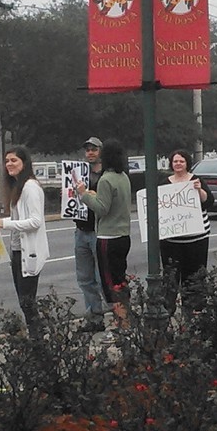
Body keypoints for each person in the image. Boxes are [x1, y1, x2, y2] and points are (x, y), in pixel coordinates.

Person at [0, 146, 49, 336]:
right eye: (7, 161)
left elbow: (35, 221)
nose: (9, 164)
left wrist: (4, 223)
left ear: (25, 163)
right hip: (17, 250)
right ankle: (35, 338)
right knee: (25, 301)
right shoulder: (18, 187)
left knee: (27, 301)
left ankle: (37, 340)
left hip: (27, 252)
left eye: (14, 160)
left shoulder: (30, 187)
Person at [75, 139, 132, 331]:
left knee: (110, 284)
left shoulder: (106, 179)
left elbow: (102, 208)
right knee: (120, 279)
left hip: (108, 236)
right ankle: (125, 319)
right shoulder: (123, 176)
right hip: (123, 235)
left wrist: (84, 194)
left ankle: (122, 322)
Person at [159, 149, 214, 313]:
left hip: (197, 239)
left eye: (181, 161)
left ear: (187, 163)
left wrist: (199, 190)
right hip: (171, 240)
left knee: (194, 277)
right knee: (171, 278)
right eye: (175, 161)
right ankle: (168, 311)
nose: (178, 164)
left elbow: (209, 201)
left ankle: (193, 312)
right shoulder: (164, 183)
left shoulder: (196, 181)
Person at [73, 136, 106, 332]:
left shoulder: (106, 176)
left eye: (94, 149)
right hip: (81, 229)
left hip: (99, 230)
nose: (90, 153)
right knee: (85, 278)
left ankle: (117, 316)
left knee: (102, 278)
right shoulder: (79, 175)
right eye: (88, 150)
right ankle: (94, 318)